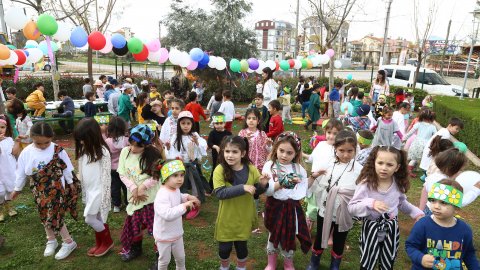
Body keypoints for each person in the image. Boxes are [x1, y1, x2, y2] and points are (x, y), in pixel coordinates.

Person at [12, 122, 80, 260]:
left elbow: (67, 167)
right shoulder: (26, 153)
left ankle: (69, 242)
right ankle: (51, 240)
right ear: (31, 138)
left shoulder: (58, 150)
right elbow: (20, 173)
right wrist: (17, 189)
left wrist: (71, 182)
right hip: (38, 188)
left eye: (46, 143)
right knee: (43, 212)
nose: (43, 146)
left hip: (56, 188)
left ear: (52, 137)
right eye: (39, 143)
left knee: (55, 214)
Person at [348, 146, 424, 270]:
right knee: (368, 260)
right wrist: (371, 203)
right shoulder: (366, 184)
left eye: (389, 164)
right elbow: (352, 207)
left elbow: (402, 204)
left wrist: (416, 213)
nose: (384, 168)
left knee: (388, 260)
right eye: (380, 163)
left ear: (397, 167)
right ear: (374, 163)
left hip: (391, 228)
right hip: (371, 227)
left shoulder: (398, 185)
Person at [306, 130, 363, 269]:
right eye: (341, 150)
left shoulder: (359, 169)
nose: (345, 154)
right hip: (326, 209)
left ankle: (335, 264)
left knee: (340, 238)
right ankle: (314, 262)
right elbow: (318, 184)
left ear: (355, 150)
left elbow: (362, 190)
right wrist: (314, 177)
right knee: (320, 235)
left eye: (350, 151)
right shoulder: (328, 165)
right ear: (335, 149)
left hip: (344, 211)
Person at [213, 136, 268, 270]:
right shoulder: (219, 170)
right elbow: (220, 193)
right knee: (224, 249)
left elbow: (256, 192)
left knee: (241, 247)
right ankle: (224, 267)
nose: (230, 155)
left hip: (244, 216)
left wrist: (262, 184)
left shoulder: (251, 169)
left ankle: (241, 267)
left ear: (243, 153)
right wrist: (242, 187)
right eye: (227, 151)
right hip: (227, 218)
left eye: (235, 152)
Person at [262, 132, 311, 270]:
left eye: (289, 153)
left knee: (290, 233)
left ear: (296, 153)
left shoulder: (299, 169)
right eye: (281, 151)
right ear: (276, 149)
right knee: (273, 232)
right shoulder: (270, 166)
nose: (284, 155)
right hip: (274, 206)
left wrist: (311, 179)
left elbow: (301, 190)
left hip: (291, 208)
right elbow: (268, 190)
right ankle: (271, 263)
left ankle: (288, 263)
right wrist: (284, 182)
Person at [406, 179, 479, 269]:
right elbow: (411, 246)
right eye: (433, 200)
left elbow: (469, 254)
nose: (436, 206)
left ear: (456, 208)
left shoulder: (464, 230)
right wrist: (421, 258)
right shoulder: (422, 224)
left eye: (443, 203)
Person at [118, 124, 162, 262]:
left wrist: (142, 187)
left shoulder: (153, 154)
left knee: (157, 228)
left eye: (138, 146)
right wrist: (133, 189)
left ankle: (160, 256)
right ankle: (136, 249)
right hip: (134, 197)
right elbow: (122, 173)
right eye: (131, 144)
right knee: (134, 225)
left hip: (151, 198)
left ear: (147, 145)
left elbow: (156, 176)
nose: (133, 148)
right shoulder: (125, 152)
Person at [73, 118, 113, 257]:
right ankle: (100, 243)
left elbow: (106, 176)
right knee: (97, 218)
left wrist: (105, 195)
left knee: (89, 219)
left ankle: (107, 241)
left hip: (99, 191)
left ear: (92, 136)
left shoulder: (103, 152)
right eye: (80, 139)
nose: (81, 142)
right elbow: (83, 171)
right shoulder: (85, 149)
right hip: (90, 190)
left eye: (83, 139)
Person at [152, 159, 200, 270]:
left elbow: (178, 196)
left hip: (176, 233)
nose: (180, 179)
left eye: (182, 175)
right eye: (175, 175)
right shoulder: (162, 194)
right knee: (164, 261)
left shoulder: (175, 189)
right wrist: (184, 206)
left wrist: (187, 197)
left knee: (181, 258)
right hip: (164, 235)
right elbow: (167, 214)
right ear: (165, 177)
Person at [166, 111, 209, 217]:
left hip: (192, 165)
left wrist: (197, 142)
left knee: (194, 184)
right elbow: (172, 151)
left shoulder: (194, 135)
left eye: (188, 123)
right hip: (180, 166)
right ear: (179, 124)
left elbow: (202, 149)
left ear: (192, 124)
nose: (185, 126)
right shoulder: (176, 136)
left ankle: (194, 204)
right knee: (181, 184)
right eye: (183, 123)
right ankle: (181, 204)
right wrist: (168, 148)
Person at [420, 148, 467, 215]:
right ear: (453, 168)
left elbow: (425, 191)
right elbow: (458, 201)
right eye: (460, 169)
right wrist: (475, 192)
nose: (460, 172)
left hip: (428, 209)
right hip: (437, 214)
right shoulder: (445, 184)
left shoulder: (432, 176)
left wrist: (420, 210)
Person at [103, 116, 129, 213]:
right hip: (125, 169)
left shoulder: (108, 142)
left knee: (114, 187)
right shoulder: (127, 140)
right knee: (126, 186)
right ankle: (128, 203)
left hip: (113, 169)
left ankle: (116, 205)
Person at [403, 109, 436, 177]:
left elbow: (411, 132)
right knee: (419, 159)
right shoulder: (433, 127)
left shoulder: (418, 124)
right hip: (426, 144)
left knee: (414, 157)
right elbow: (436, 136)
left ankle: (411, 168)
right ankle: (409, 170)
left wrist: (404, 138)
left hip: (416, 142)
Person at [207, 112, 232, 190]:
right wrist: (215, 146)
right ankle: (210, 187)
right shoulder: (212, 133)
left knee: (228, 169)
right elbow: (209, 142)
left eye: (221, 123)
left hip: (227, 155)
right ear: (214, 124)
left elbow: (231, 142)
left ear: (224, 123)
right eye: (217, 123)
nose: (219, 125)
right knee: (215, 170)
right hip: (216, 156)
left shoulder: (228, 133)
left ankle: (227, 185)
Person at [0, 115, 16, 222]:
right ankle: (0, 210)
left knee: (9, 191)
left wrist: (18, 142)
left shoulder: (9, 139)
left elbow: (13, 153)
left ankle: (8, 207)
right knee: (0, 192)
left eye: (2, 127)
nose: (0, 130)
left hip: (8, 170)